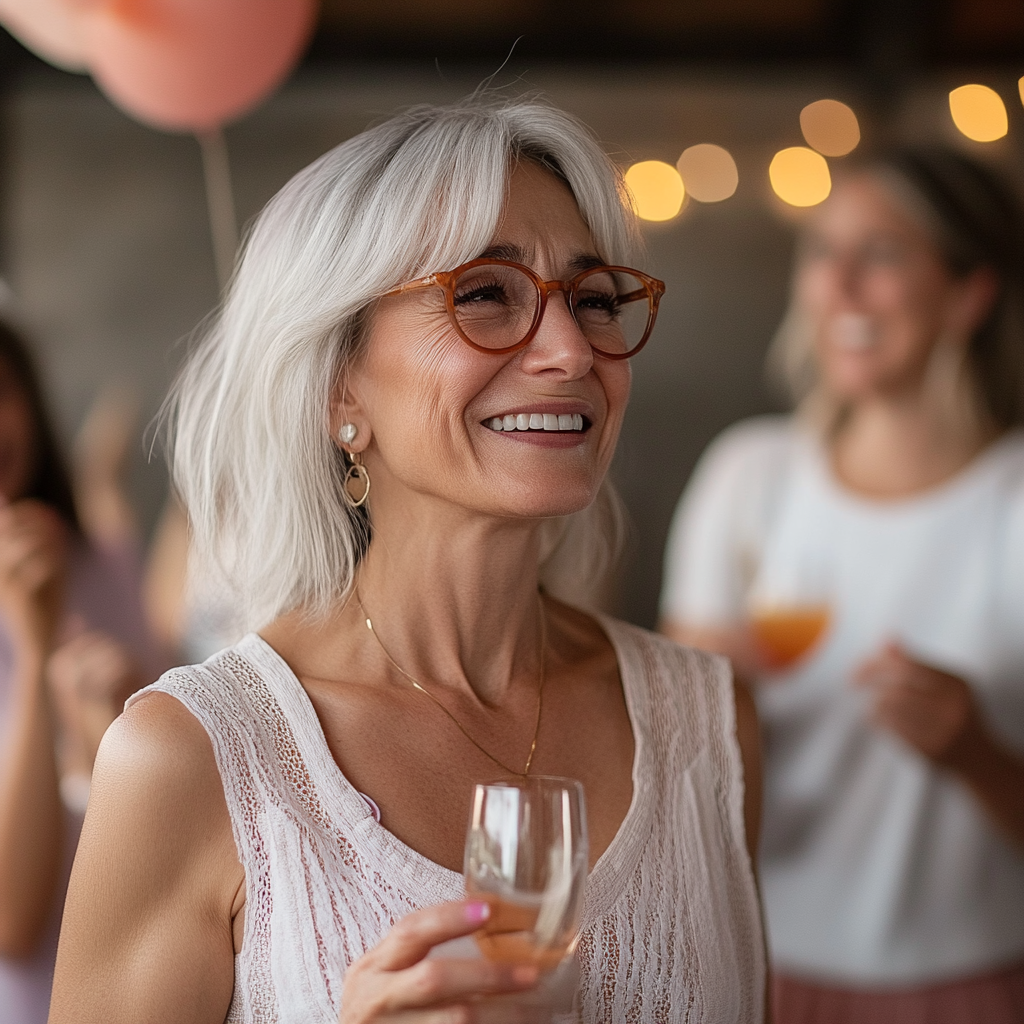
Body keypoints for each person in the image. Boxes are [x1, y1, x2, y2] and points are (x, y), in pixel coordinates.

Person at [50, 98, 767, 1023]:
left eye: (593, 301)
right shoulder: (193, 760)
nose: (569, 351)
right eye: (485, 293)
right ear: (339, 386)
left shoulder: (708, 726)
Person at [661, 147, 1024, 1022]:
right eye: (825, 251)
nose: (841, 285)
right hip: (755, 969)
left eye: (885, 253)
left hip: (970, 982)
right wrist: (715, 713)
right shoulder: (751, 478)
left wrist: (972, 751)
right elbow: (675, 794)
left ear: (970, 294)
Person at [0, 319, 162, 1024]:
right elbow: (10, 920)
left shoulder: (102, 563)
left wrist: (120, 726)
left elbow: (163, 832)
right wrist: (36, 659)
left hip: (137, 981)